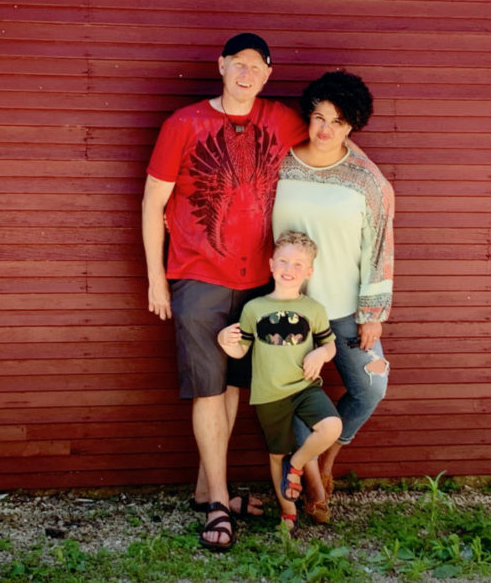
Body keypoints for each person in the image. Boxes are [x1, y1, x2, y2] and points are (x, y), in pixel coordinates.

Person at [141, 33, 309, 551]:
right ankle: (218, 502)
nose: (247, 74)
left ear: (267, 74)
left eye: (257, 67)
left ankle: (203, 489)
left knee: (235, 386)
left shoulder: (281, 119)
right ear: (221, 66)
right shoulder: (184, 124)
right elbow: (152, 204)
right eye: (239, 64)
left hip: (259, 282)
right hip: (199, 277)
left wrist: (373, 180)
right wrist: (157, 278)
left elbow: (332, 145)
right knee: (208, 388)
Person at [272, 70, 394, 524]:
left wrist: (373, 314)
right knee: (298, 394)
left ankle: (328, 456)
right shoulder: (280, 162)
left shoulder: (366, 180)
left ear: (352, 127)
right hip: (289, 309)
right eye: (319, 117)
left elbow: (378, 247)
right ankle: (313, 485)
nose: (325, 130)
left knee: (371, 386)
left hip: (344, 312)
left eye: (339, 122)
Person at [218, 231, 342, 535]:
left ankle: (297, 464)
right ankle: (288, 513)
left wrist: (321, 354)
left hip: (304, 387)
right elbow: (241, 349)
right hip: (269, 395)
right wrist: (223, 340)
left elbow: (331, 345)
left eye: (299, 264)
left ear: (309, 272)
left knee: (332, 427)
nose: (290, 268)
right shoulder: (254, 308)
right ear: (272, 264)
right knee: (276, 455)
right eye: (284, 261)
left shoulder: (314, 309)